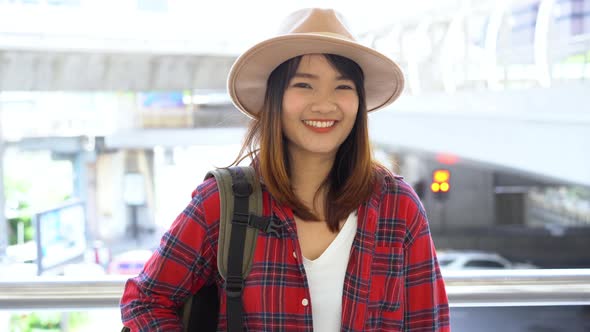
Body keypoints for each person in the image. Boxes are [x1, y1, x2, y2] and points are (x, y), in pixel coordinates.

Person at [120, 8, 450, 331]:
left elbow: (428, 324)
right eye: (304, 85)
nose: (324, 103)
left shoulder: (398, 207)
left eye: (343, 86)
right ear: (275, 99)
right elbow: (145, 300)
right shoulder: (223, 203)